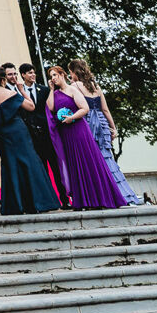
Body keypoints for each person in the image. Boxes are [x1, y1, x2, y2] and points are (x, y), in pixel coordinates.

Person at [45, 65, 128, 210]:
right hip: (66, 133)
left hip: (78, 129)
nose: (53, 78)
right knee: (74, 164)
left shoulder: (73, 90)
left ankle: (100, 198)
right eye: (51, 76)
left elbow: (85, 108)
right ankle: (83, 200)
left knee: (87, 161)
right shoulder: (55, 93)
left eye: (55, 75)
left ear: (62, 74)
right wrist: (51, 89)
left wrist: (72, 117)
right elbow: (51, 107)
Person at [0, 67, 59, 214]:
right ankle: (37, 203)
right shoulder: (10, 93)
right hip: (18, 131)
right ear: (3, 80)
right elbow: (31, 106)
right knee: (29, 163)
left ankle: (16, 205)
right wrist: (21, 90)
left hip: (4, 134)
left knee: (10, 166)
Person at [67, 59, 142, 205]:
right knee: (108, 159)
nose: (70, 76)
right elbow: (105, 109)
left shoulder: (74, 85)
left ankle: (108, 195)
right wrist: (113, 128)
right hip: (102, 122)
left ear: (74, 72)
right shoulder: (95, 86)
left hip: (88, 123)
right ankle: (124, 194)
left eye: (70, 72)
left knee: (95, 161)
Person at [18, 62, 66, 205]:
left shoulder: (44, 90)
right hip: (31, 136)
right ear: (23, 75)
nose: (33, 75)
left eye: (34, 72)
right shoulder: (19, 92)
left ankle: (64, 199)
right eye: (29, 73)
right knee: (41, 170)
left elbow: (51, 108)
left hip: (47, 134)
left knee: (56, 168)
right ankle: (48, 200)